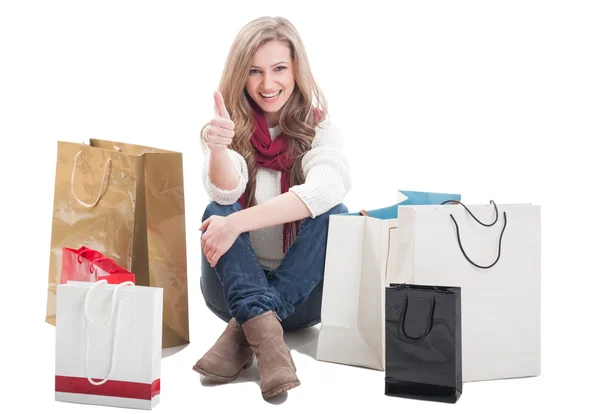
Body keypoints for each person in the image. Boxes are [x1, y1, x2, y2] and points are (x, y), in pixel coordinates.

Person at [193, 16, 352, 399]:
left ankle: (247, 332)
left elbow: (327, 187)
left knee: (335, 212)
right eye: (255, 72)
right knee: (217, 210)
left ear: (296, 69)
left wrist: (238, 225)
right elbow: (226, 192)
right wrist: (218, 149)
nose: (268, 84)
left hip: (304, 297)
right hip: (229, 288)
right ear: (241, 76)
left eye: (279, 68)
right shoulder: (229, 125)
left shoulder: (319, 128)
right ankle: (267, 341)